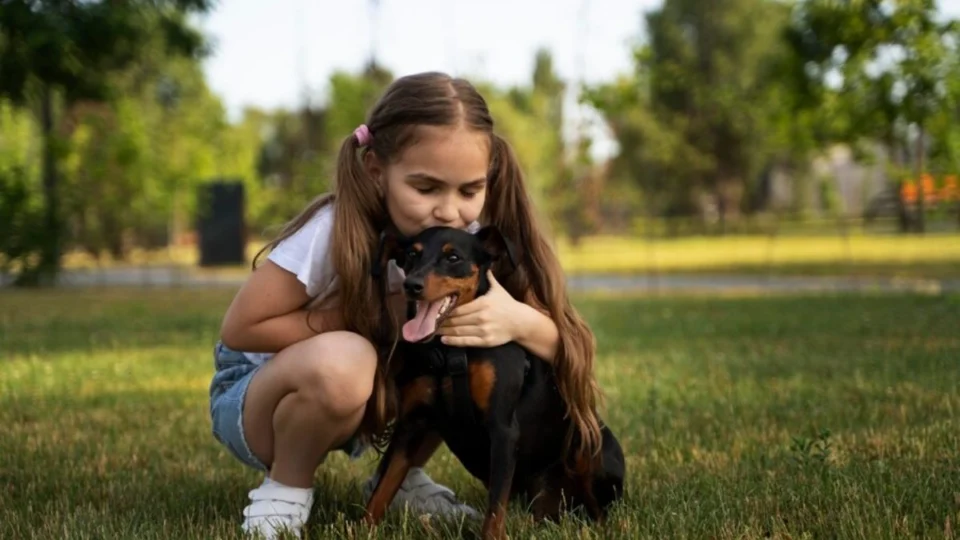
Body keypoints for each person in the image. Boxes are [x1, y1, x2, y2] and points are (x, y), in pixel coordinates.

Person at [209, 71, 604, 539]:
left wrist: (517, 321)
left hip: (366, 397)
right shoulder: (331, 229)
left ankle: (400, 478)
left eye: (468, 191)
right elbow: (241, 330)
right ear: (377, 170)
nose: (449, 211)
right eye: (426, 188)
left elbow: (563, 346)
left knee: (460, 350)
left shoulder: (472, 246)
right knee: (348, 358)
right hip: (262, 402)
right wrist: (370, 319)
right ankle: (286, 487)